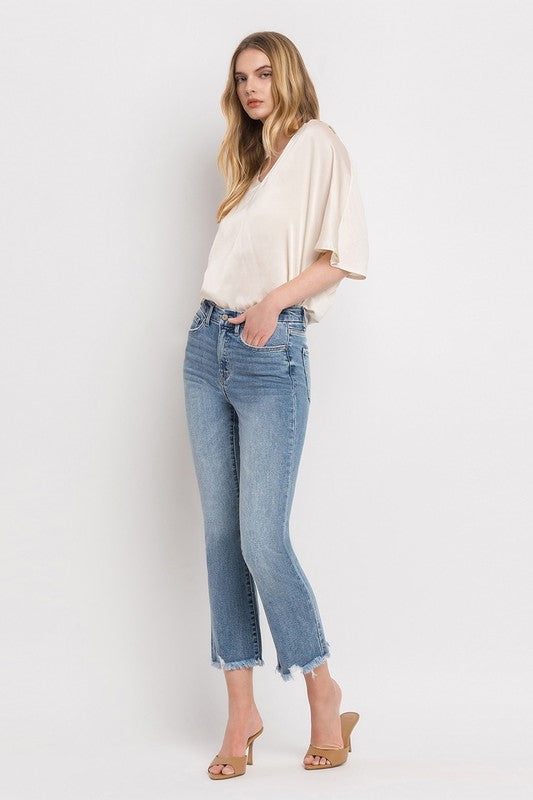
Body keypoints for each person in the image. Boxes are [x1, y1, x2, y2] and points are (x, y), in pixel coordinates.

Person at [182, 31, 368, 779]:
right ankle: (242, 712)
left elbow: (343, 255)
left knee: (263, 538)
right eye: (241, 79)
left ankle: (323, 690)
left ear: (286, 75)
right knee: (222, 538)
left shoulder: (317, 143)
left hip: (269, 349)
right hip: (205, 348)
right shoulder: (252, 167)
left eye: (263, 74)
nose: (252, 88)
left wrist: (271, 305)